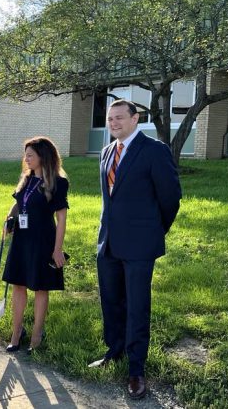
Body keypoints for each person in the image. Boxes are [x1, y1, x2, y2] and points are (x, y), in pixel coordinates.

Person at [89, 99, 181, 400]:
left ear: (135, 118)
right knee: (111, 301)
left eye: (119, 118)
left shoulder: (154, 151)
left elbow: (170, 198)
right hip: (109, 243)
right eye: (109, 118)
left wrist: (153, 230)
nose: (113, 123)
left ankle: (136, 369)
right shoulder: (106, 152)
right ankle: (114, 351)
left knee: (137, 306)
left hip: (140, 245)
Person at [2, 137, 69, 354]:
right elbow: (17, 202)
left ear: (43, 156)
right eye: (26, 155)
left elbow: (61, 219)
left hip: (43, 242)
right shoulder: (27, 179)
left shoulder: (58, 183)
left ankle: (37, 334)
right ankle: (16, 333)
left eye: (30, 155)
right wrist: (9, 219)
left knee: (40, 288)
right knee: (18, 285)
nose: (26, 159)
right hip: (22, 240)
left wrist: (57, 250)